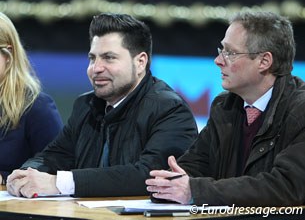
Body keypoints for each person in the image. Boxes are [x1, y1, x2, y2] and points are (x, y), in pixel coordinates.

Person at [6, 13, 198, 198]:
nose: (95, 68)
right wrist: (25, 175)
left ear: (140, 62)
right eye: (92, 58)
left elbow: (148, 175)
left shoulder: (170, 110)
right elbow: (52, 156)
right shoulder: (85, 106)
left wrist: (59, 183)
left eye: (109, 58)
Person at [146, 11, 305, 207]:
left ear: (264, 61)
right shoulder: (224, 107)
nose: (218, 60)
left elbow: (287, 186)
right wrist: (171, 183)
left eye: (230, 52)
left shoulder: (300, 110)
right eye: (221, 50)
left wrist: (194, 190)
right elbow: (195, 166)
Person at [0, 12, 63, 184]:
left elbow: (58, 164)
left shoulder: (37, 106)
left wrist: (5, 177)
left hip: (16, 207)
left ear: (8, 54)